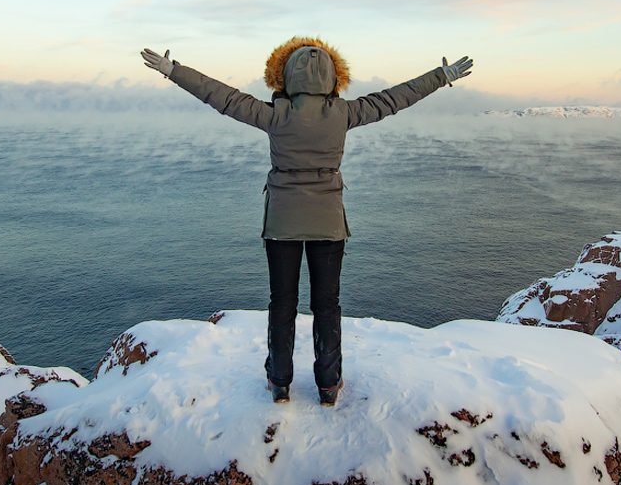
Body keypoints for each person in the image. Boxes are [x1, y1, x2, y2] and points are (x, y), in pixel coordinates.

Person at [140, 38, 472, 406]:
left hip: (282, 221)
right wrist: (441, 76)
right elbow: (395, 98)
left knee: (282, 303)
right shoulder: (345, 112)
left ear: (286, 76)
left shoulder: (275, 114)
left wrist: (174, 72)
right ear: (333, 78)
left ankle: (279, 382)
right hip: (328, 223)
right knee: (326, 304)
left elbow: (223, 97)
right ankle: (328, 384)